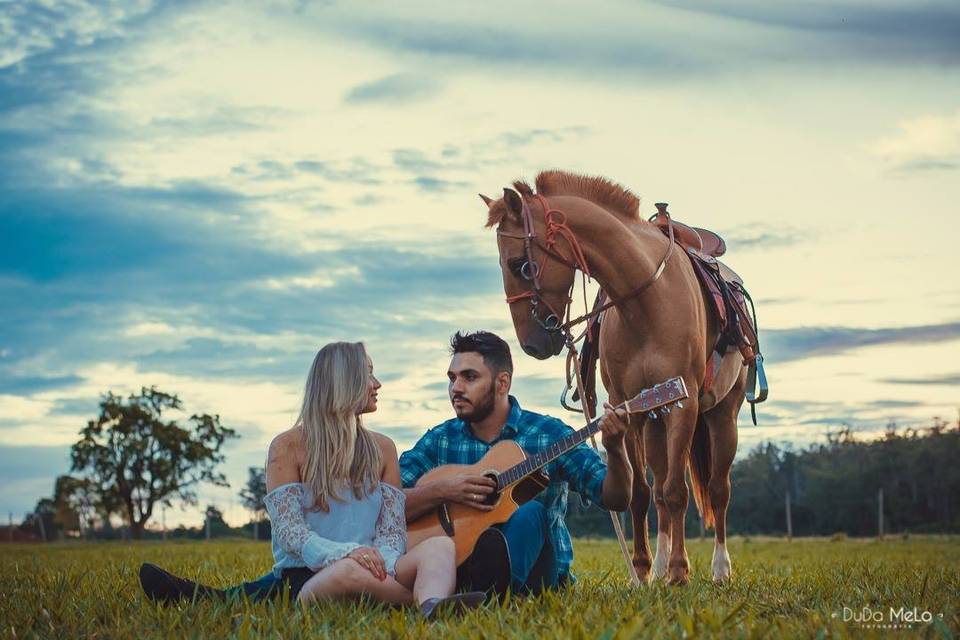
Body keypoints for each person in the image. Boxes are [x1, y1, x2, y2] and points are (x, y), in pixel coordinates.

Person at [139, 331, 630, 602]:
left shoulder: (547, 435)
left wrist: (618, 448)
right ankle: (452, 601)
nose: (456, 386)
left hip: (530, 573)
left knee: (533, 515)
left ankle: (462, 596)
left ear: (501, 383)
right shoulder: (436, 441)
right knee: (430, 545)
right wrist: (447, 491)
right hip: (445, 564)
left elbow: (616, 497)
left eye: (469, 376)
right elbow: (392, 509)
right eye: (452, 376)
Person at [141, 342, 483, 618]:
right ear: (343, 382)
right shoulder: (288, 446)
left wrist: (384, 564)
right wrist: (352, 554)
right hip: (309, 576)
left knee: (440, 546)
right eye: (368, 375)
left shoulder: (383, 449)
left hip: (377, 569)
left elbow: (392, 531)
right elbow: (291, 534)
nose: (377, 384)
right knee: (348, 572)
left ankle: (432, 608)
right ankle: (417, 602)